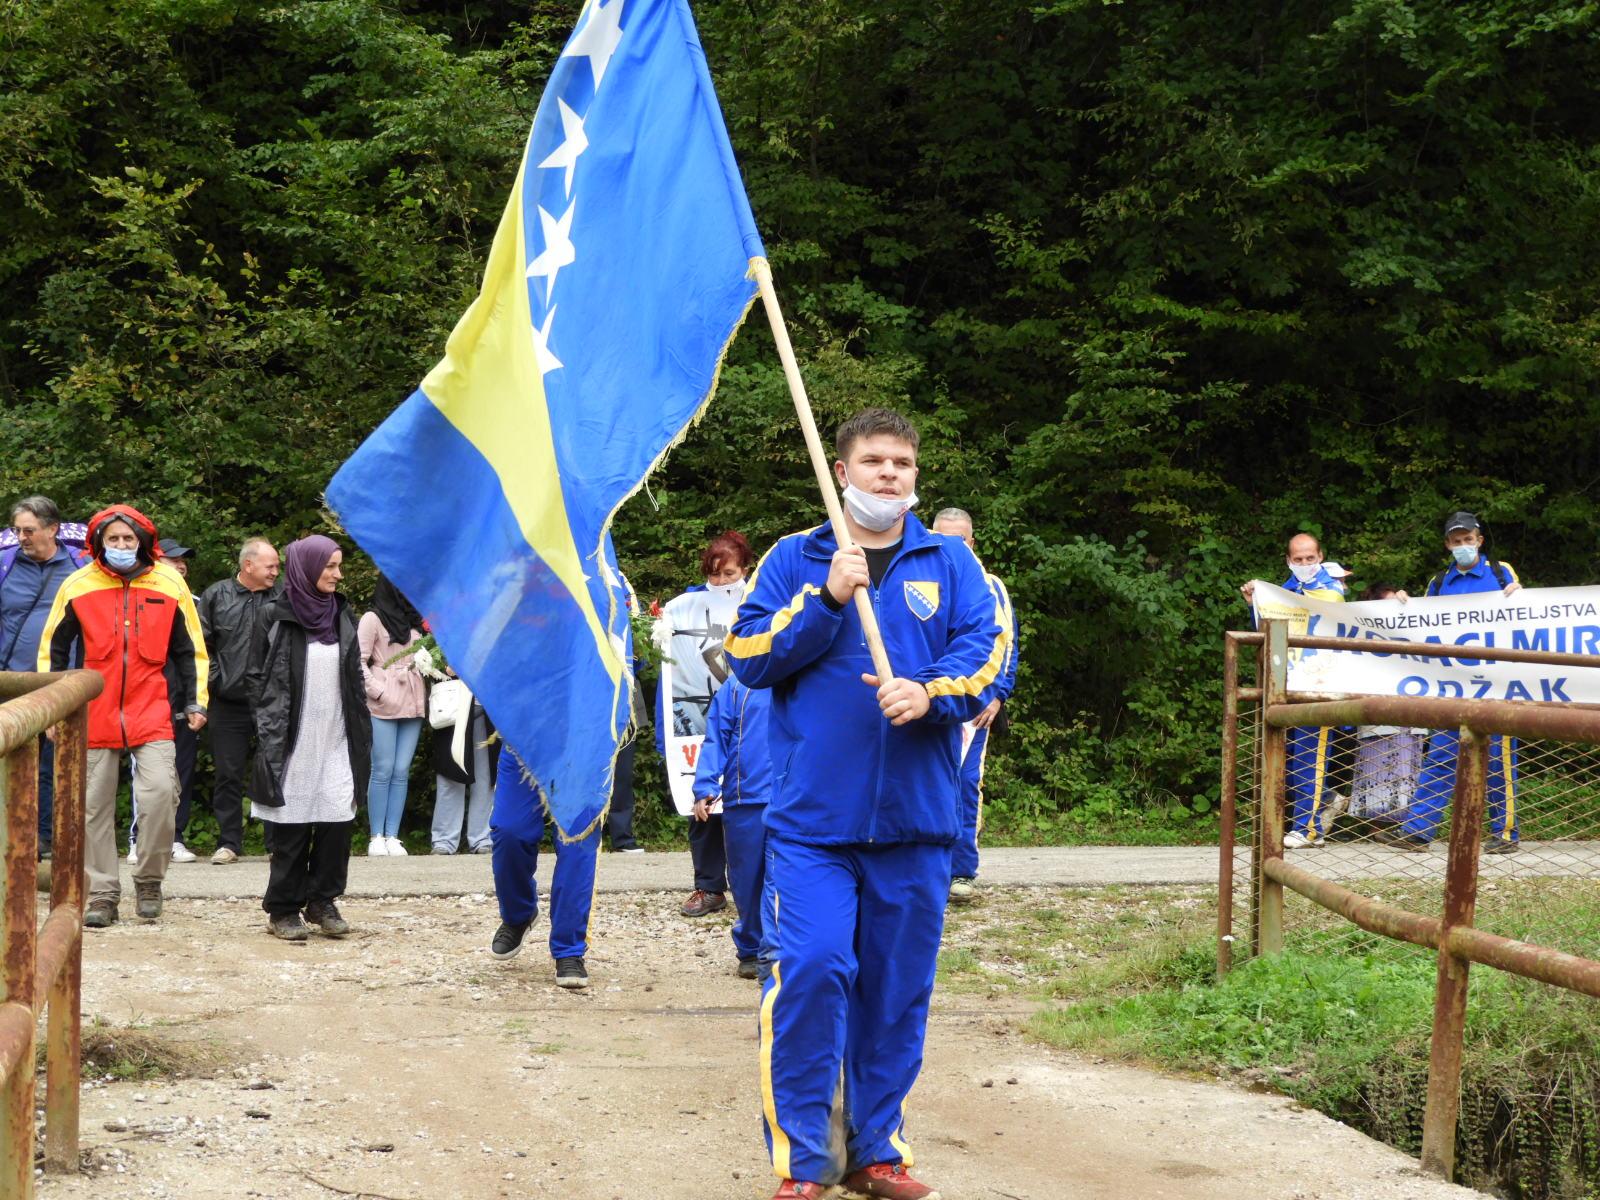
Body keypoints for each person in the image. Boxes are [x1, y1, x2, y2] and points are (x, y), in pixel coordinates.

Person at [726, 407, 1009, 1200]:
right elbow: (747, 655)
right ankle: (805, 1162)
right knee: (813, 969)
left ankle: (876, 1151)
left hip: (919, 823)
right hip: (812, 824)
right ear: (842, 472)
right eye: (875, 462)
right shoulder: (794, 557)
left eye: (903, 464)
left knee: (895, 992)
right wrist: (823, 598)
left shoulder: (951, 564)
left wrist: (930, 692)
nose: (890, 474)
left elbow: (987, 659)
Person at [39, 506, 208, 928]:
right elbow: (53, 651)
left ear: (142, 542)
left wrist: (195, 701)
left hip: (151, 705)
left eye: (127, 540)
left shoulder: (169, 582)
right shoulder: (77, 585)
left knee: (159, 797)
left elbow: (191, 649)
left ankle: (149, 880)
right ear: (99, 543)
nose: (120, 546)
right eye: (112, 540)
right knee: (93, 807)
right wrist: (53, 710)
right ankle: (101, 894)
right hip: (94, 708)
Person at [247, 535, 370, 939]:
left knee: (338, 821)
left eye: (338, 565)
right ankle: (282, 909)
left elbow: (352, 677)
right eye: (330, 566)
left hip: (336, 734)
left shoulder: (341, 614)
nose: (337, 574)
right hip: (292, 740)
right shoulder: (274, 615)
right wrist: (268, 728)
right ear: (306, 567)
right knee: (292, 828)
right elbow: (254, 676)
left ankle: (322, 901)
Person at [1379, 512, 1522, 854]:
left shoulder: (1502, 573)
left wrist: (1520, 595)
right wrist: (1402, 604)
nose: (1462, 545)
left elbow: (1526, 617)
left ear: (1479, 540)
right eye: (1456, 541)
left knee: (1500, 757)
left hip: (1496, 684)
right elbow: (1420, 623)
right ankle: (1418, 831)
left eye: (1467, 539)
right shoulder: (1439, 581)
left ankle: (1505, 832)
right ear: (1447, 544)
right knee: (1441, 754)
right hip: (1452, 685)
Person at [660, 530, 755, 916]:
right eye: (714, 575)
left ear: (745, 568)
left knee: (753, 804)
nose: (720, 583)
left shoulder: (762, 600)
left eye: (729, 574)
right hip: (699, 717)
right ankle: (709, 886)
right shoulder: (684, 607)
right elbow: (673, 673)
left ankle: (758, 888)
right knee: (702, 803)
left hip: (752, 716)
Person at [929, 508, 1019, 902]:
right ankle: (925, 870)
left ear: (972, 542)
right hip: (925, 703)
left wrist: (997, 695)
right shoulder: (917, 578)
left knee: (965, 786)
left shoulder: (989, 585)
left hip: (971, 708)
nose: (952, 546)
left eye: (960, 539)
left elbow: (1006, 645)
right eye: (943, 538)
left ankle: (961, 872)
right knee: (928, 787)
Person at [1241, 533, 1349, 848]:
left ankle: (1306, 829)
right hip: (1285, 685)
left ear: (1320, 557)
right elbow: (1266, 632)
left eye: (1310, 558)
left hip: (1318, 685)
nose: (1304, 564)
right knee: (1283, 757)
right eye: (1298, 559)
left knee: (1309, 757)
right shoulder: (1285, 592)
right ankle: (1324, 805)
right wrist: (1254, 605)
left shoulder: (1332, 591)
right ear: (1289, 561)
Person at [1, 496, 89, 859]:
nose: (21, 536)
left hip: (57, 683)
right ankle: (12, 837)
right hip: (7, 679)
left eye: (29, 530)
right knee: (8, 756)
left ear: (52, 529)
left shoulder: (78, 568)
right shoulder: (4, 566)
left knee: (51, 763)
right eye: (17, 530)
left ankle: (44, 840)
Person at [487, 741, 602, 989]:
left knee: (577, 844)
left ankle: (569, 949)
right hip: (522, 741)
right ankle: (519, 915)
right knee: (509, 832)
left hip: (583, 746)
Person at [197, 537, 281, 864]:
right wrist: (218, 680)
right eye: (270, 565)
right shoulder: (217, 595)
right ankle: (229, 842)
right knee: (227, 773)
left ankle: (277, 844)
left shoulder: (284, 596)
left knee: (273, 771)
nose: (276, 571)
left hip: (272, 702)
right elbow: (201, 644)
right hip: (227, 702)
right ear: (249, 565)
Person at [690, 674, 771, 979]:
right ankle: (750, 948)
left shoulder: (801, 676)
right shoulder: (738, 686)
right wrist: (705, 787)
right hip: (744, 800)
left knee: (788, 880)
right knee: (747, 882)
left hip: (792, 801)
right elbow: (716, 736)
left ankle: (776, 952)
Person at [128, 538, 201, 864]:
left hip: (183, 703)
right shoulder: (138, 598)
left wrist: (195, 701)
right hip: (146, 701)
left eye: (184, 561)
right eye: (174, 560)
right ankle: (138, 839)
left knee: (180, 774)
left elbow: (195, 656)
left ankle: (175, 837)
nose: (181, 565)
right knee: (144, 775)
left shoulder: (195, 602)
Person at [358, 576, 426, 855]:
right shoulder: (372, 619)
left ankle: (393, 835)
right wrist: (378, 691)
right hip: (383, 702)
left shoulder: (416, 620)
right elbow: (358, 661)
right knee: (383, 769)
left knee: (400, 771)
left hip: (412, 700)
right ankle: (376, 836)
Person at [1347, 584, 1424, 828]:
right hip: (1377, 716)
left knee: (1407, 768)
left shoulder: (1414, 631)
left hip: (1411, 717)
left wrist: (1409, 605)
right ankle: (1378, 825)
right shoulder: (1362, 633)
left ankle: (1406, 823)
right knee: (1376, 766)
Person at [431, 694, 495, 854]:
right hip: (452, 704)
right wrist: (444, 669)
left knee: (485, 777)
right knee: (449, 773)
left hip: (487, 704)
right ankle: (444, 840)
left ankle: (482, 838)